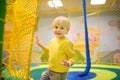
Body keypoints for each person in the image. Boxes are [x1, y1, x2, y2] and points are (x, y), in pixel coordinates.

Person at [36, 16, 77, 80]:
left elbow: (73, 57)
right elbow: (50, 51)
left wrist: (69, 62)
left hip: (59, 72)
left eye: (62, 28)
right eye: (56, 27)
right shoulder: (52, 41)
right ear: (53, 28)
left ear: (67, 30)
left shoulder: (66, 43)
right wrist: (40, 45)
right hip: (50, 69)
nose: (58, 30)